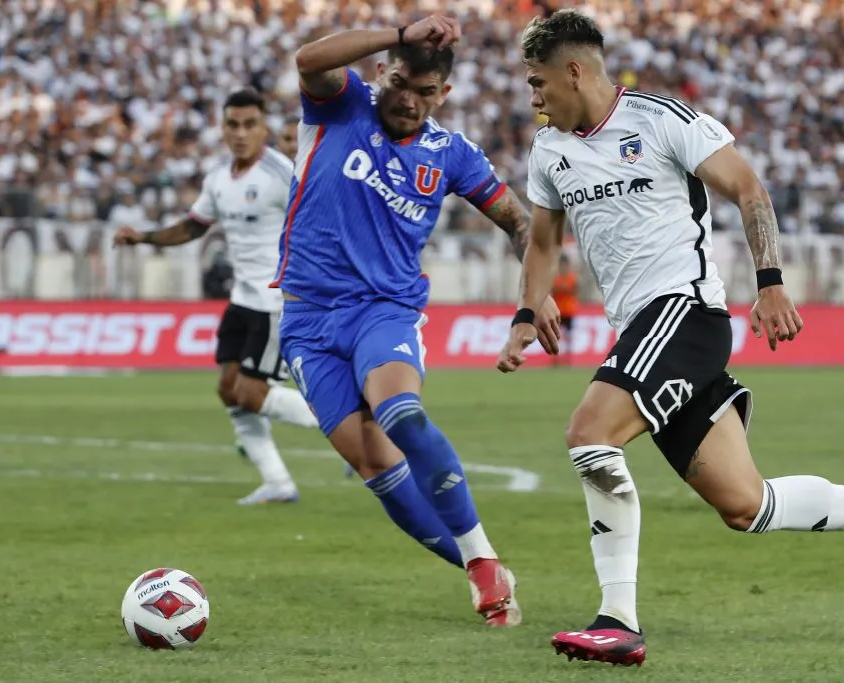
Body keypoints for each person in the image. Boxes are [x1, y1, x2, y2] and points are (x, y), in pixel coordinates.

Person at [498, 9, 844, 666]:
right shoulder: (550, 150)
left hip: (685, 316)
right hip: (641, 332)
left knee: (589, 433)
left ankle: (618, 618)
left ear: (574, 70)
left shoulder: (663, 121)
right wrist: (527, 309)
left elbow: (748, 187)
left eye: (537, 79)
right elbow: (544, 239)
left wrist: (769, 280)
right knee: (748, 504)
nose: (532, 94)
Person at [271, 15, 562, 628]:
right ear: (382, 73)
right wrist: (397, 32)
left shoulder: (451, 154)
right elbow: (308, 60)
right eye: (400, 83)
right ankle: (481, 564)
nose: (409, 100)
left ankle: (481, 565)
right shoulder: (341, 107)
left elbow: (518, 222)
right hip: (305, 321)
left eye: (425, 93)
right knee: (376, 466)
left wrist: (537, 296)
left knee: (400, 412)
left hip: (384, 311)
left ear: (444, 96)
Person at [114, 89, 317, 506]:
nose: (240, 134)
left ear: (264, 129)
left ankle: (352, 420)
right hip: (242, 299)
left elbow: (319, 222)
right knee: (228, 390)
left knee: (251, 394)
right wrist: (144, 237)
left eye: (249, 125)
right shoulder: (219, 179)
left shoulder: (284, 174)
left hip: (276, 301)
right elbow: (193, 227)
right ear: (223, 129)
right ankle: (277, 482)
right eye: (232, 125)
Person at [550, 252, 579, 366]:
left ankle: (568, 359)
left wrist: (563, 289)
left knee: (569, 336)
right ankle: (556, 359)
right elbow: (552, 290)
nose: (563, 267)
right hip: (558, 312)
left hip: (569, 311)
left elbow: (575, 291)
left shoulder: (572, 278)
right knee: (556, 336)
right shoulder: (556, 278)